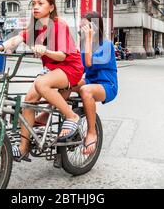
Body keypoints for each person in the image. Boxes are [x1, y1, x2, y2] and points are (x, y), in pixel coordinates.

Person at [0, 0, 84, 161]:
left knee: (41, 84)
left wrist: (46, 50)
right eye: (34, 4)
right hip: (51, 71)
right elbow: (14, 40)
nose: (35, 7)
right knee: (28, 101)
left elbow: (62, 56)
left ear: (51, 7)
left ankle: (72, 116)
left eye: (40, 3)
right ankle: (23, 148)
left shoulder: (59, 25)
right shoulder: (35, 28)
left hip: (70, 68)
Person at [36, 12, 118, 155]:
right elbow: (78, 69)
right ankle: (46, 115)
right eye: (80, 27)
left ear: (95, 27)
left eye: (84, 27)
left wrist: (88, 40)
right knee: (69, 82)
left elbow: (89, 62)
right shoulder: (83, 46)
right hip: (90, 81)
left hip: (107, 85)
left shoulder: (107, 45)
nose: (81, 30)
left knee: (86, 90)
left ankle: (92, 132)